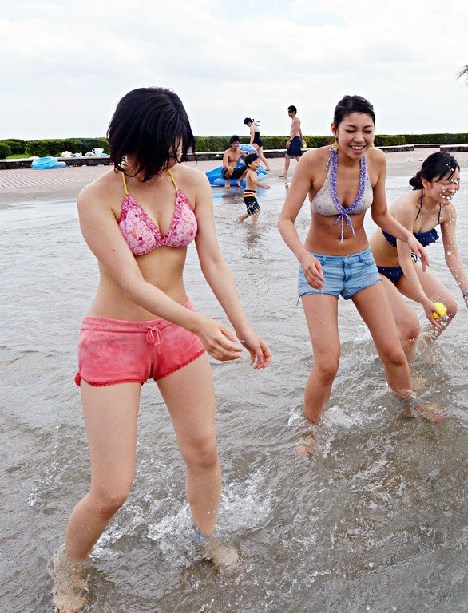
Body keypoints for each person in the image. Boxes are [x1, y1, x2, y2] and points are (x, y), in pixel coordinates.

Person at [49, 87, 272, 611]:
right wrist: (200, 323)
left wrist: (243, 326)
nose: (166, 161)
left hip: (176, 334)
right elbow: (129, 281)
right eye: (155, 151)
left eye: (175, 149)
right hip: (113, 339)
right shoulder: (97, 198)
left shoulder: (190, 181)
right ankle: (70, 563)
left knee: (204, 451)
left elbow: (213, 261)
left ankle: (205, 537)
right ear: (125, 142)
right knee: (112, 490)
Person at [278, 95, 442, 456]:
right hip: (320, 267)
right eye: (350, 130)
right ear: (334, 130)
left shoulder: (377, 161)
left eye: (367, 130)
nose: (359, 138)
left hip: (362, 264)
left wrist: (408, 236)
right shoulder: (312, 162)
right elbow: (285, 220)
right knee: (328, 362)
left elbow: (381, 215)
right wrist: (303, 257)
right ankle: (309, 430)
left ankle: (408, 406)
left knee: (394, 352)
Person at [369, 152, 468, 357]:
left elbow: (452, 254)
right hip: (374, 271)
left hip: (403, 269)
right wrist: (424, 299)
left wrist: (467, 293)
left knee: (449, 308)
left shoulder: (447, 211)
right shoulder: (407, 207)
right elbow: (404, 257)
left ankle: (414, 354)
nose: (453, 188)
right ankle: (403, 368)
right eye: (446, 182)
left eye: (456, 182)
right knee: (410, 327)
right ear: (426, 183)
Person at [237, 153, 270, 224]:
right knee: (256, 209)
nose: (258, 164)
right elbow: (254, 181)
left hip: (250, 194)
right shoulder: (251, 172)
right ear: (249, 164)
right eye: (256, 162)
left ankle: (241, 218)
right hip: (249, 194)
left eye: (259, 162)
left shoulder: (252, 171)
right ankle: (254, 224)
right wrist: (263, 185)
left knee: (251, 210)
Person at [280, 104, 303, 179]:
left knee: (296, 157)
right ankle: (285, 173)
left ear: (293, 112)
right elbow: (299, 130)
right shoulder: (294, 120)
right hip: (295, 138)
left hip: (294, 139)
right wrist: (302, 139)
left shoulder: (296, 119)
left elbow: (296, 130)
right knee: (288, 156)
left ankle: (305, 170)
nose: (288, 113)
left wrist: (290, 140)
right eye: (288, 112)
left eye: (289, 112)